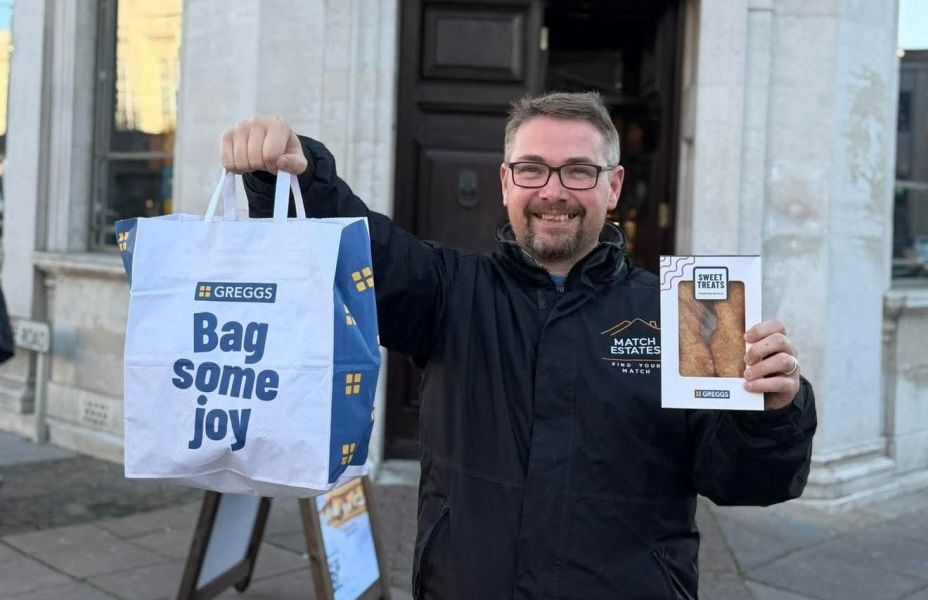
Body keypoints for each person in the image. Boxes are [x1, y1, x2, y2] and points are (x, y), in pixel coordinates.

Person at [222, 92, 816, 600]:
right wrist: (295, 173)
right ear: (506, 182)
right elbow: (355, 244)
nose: (553, 191)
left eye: (578, 171)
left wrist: (771, 414)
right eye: (532, 168)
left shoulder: (680, 315)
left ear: (613, 188)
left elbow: (743, 482)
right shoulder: (448, 291)